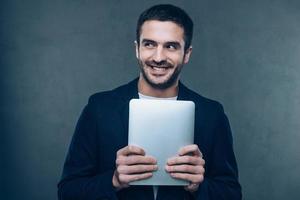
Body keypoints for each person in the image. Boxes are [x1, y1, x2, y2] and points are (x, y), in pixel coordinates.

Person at [58, 4, 242, 200]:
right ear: (137, 49)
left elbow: (232, 194)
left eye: (170, 46)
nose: (158, 57)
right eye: (149, 44)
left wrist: (199, 186)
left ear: (186, 54)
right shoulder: (99, 109)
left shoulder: (211, 115)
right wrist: (114, 181)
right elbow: (68, 192)